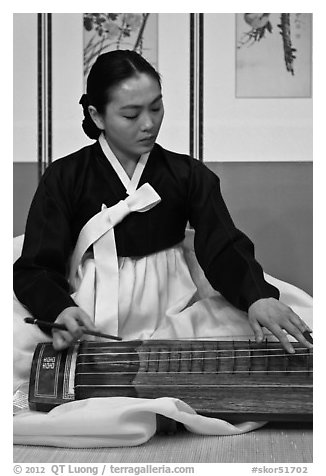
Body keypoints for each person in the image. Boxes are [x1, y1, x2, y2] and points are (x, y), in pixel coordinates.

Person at [13, 50, 312, 354]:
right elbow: (37, 266)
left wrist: (256, 296)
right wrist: (59, 309)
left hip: (173, 302)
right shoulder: (65, 176)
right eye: (131, 114)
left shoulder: (187, 174)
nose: (149, 124)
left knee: (256, 340)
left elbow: (223, 244)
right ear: (96, 115)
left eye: (156, 108)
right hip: (88, 303)